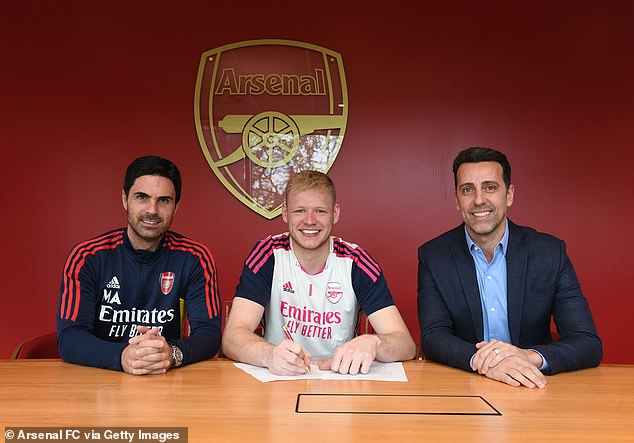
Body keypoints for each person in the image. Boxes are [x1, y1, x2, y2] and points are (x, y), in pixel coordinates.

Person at [418, 147, 602, 388]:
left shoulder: (549, 253)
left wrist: (528, 357)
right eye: (467, 189)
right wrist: (484, 361)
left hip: (533, 387)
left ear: (509, 195)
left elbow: (587, 342)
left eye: (490, 187)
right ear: (456, 199)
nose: (479, 199)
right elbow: (433, 336)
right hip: (465, 386)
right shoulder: (434, 255)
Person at [222, 170, 416, 375]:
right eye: (299, 211)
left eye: (320, 211)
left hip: (341, 382)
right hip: (279, 378)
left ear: (335, 213)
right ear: (285, 213)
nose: (310, 221)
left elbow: (406, 345)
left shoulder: (357, 262)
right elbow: (232, 337)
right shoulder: (268, 255)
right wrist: (269, 355)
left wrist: (374, 342)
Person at [57, 155, 221, 374]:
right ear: (125, 199)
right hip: (100, 383)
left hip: (166, 382)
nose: (152, 210)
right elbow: (69, 338)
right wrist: (121, 356)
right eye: (142, 197)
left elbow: (209, 334)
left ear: (176, 206)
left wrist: (171, 354)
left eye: (163, 200)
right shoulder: (87, 257)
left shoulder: (195, 257)